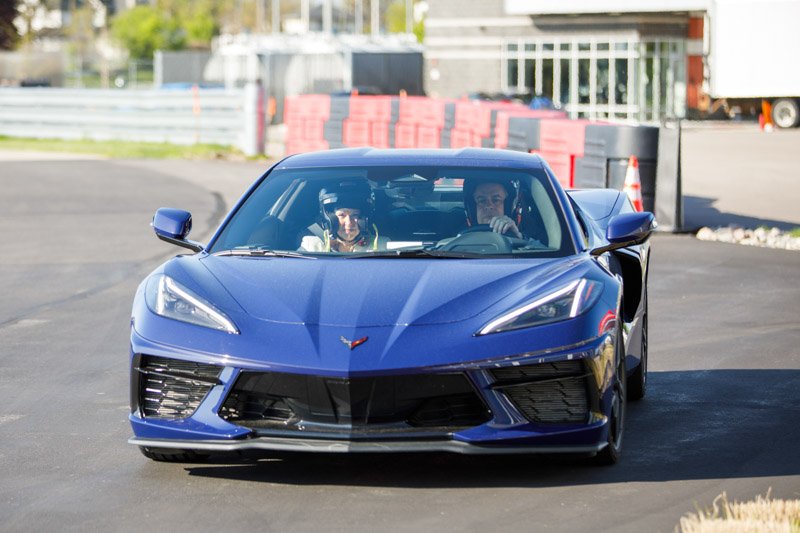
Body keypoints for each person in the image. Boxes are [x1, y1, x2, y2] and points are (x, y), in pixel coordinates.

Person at [299, 181, 389, 252]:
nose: (349, 223)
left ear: (365, 219)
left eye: (355, 215)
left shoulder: (383, 246)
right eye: (342, 215)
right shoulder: (311, 247)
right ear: (329, 219)